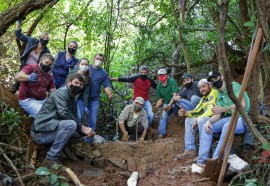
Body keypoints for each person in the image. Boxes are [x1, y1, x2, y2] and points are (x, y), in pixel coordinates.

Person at [31, 73, 95, 168]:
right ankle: (50, 158)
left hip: (51, 130)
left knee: (78, 134)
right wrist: (82, 127)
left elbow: (73, 117)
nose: (78, 86)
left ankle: (47, 151)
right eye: (76, 83)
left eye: (81, 84)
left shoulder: (72, 97)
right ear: (69, 82)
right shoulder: (62, 92)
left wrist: (83, 130)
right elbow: (64, 113)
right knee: (71, 125)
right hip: (40, 132)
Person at [196, 70, 250, 166]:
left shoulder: (233, 86)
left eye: (216, 78)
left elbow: (243, 105)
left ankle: (215, 160)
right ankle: (202, 161)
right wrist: (209, 121)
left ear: (222, 77)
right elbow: (217, 114)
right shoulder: (219, 94)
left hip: (242, 118)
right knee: (206, 126)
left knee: (226, 126)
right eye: (212, 81)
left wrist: (224, 109)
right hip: (229, 118)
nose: (215, 81)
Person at [175, 79, 218, 159]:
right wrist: (185, 113)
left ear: (210, 85)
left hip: (216, 118)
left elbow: (211, 111)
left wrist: (197, 119)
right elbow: (197, 111)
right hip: (206, 118)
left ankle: (204, 153)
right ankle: (190, 149)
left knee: (201, 120)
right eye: (200, 88)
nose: (202, 89)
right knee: (188, 120)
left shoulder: (214, 93)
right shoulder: (203, 98)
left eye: (204, 86)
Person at [77, 53, 113, 144]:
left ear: (103, 61)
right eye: (97, 58)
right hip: (81, 98)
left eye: (101, 60)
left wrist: (109, 93)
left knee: (92, 121)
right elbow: (76, 74)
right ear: (94, 58)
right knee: (79, 116)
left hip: (94, 100)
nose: (99, 61)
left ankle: (89, 141)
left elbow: (106, 86)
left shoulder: (103, 73)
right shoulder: (86, 67)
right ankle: (77, 138)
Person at [11, 20, 51, 93]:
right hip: (24, 65)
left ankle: (23, 96)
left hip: (35, 70)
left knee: (28, 86)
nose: (44, 39)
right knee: (20, 76)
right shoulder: (31, 40)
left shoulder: (47, 52)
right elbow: (18, 34)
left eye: (46, 38)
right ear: (39, 37)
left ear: (48, 41)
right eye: (43, 37)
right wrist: (19, 23)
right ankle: (15, 87)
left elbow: (49, 64)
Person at [15, 53, 56, 118]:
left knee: (56, 112)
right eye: (46, 62)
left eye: (50, 64)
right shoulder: (31, 68)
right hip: (27, 100)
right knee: (44, 115)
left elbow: (54, 92)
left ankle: (33, 116)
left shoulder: (49, 77)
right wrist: (28, 77)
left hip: (42, 101)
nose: (48, 65)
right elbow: (17, 77)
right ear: (41, 60)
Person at [152, 69, 179, 139]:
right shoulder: (158, 87)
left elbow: (175, 95)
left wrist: (169, 105)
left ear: (166, 75)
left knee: (176, 106)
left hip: (176, 102)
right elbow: (160, 99)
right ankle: (161, 133)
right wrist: (156, 106)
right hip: (166, 103)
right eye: (160, 75)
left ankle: (178, 119)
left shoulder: (172, 82)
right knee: (163, 115)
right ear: (158, 77)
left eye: (163, 75)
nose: (162, 76)